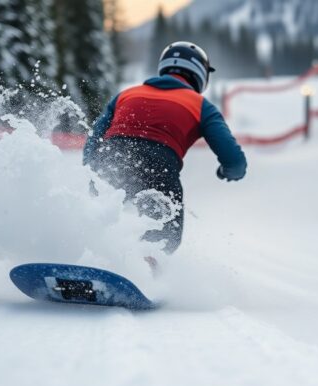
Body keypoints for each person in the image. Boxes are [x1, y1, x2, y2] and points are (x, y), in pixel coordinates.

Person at [83, 41, 247, 257]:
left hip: (109, 160)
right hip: (157, 168)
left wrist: (92, 168)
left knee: (97, 217)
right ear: (200, 75)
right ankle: (148, 273)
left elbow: (92, 143)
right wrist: (228, 172)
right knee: (163, 238)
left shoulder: (126, 94)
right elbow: (235, 161)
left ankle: (85, 255)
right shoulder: (201, 106)